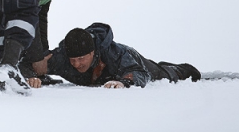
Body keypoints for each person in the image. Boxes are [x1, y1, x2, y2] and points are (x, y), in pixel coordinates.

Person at [33, 23, 201, 88]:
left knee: (162, 74)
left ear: (93, 52)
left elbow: (142, 74)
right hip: (103, 78)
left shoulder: (115, 54)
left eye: (81, 59)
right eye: (73, 60)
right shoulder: (61, 59)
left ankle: (178, 69)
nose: (77, 64)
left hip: (134, 62)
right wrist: (31, 76)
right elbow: (35, 63)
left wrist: (123, 81)